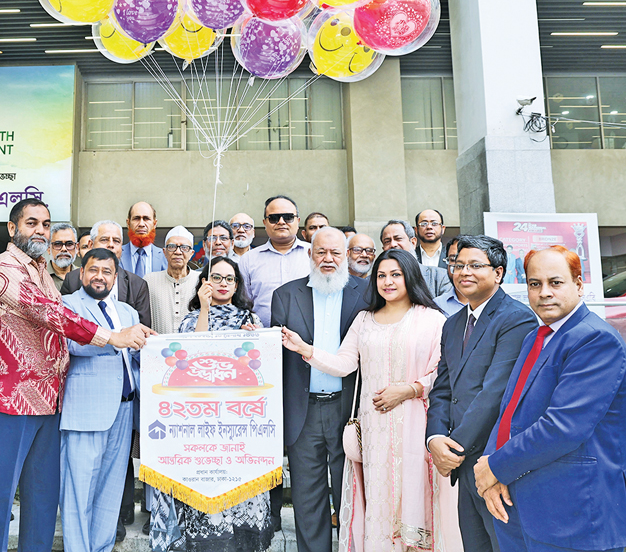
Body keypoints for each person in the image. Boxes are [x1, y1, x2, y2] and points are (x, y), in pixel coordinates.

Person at [0, 199, 150, 552]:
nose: (40, 230)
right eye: (32, 223)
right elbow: (50, 314)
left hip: (49, 400)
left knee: (43, 498)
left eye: (45, 224)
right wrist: (112, 337)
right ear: (12, 227)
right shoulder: (3, 267)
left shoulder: (41, 271)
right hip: (9, 396)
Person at [281, 249, 461, 552]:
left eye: (395, 275)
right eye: (381, 276)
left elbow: (442, 371)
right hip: (374, 428)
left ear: (410, 277)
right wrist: (305, 350)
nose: (387, 282)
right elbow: (345, 363)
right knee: (379, 498)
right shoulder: (364, 320)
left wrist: (410, 389)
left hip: (416, 424)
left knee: (415, 494)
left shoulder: (432, 319)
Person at [474, 246, 626, 552]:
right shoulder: (536, 337)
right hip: (517, 505)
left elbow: (563, 427)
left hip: (572, 514)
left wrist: (495, 466)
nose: (544, 292)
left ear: (579, 284)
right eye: (535, 284)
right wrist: (492, 471)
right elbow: (510, 411)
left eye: (556, 282)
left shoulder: (595, 339)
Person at [150, 256, 274, 552]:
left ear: (237, 285)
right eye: (216, 277)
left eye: (229, 279)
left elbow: (263, 368)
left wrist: (257, 342)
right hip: (201, 425)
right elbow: (192, 358)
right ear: (204, 282)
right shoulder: (191, 319)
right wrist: (204, 308)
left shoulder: (250, 320)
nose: (223, 283)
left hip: (239, 424)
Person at [425, 235, 537, 552]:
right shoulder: (452, 324)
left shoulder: (516, 318)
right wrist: (435, 439)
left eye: (475, 265)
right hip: (463, 464)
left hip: (495, 461)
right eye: (458, 265)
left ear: (498, 273)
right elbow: (442, 388)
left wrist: (454, 448)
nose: (464, 272)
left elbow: (495, 392)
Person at [270, 227, 369, 552]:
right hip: (303, 411)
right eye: (321, 252)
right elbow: (276, 356)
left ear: (346, 256)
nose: (328, 259)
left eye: (335, 253)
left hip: (349, 410)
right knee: (307, 497)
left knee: (352, 493)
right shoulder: (286, 295)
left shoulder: (367, 293)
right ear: (310, 254)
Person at [60, 248, 141, 552]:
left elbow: (134, 358)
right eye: (93, 270)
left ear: (115, 277)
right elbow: (70, 344)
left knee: (110, 492)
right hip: (87, 411)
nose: (99, 277)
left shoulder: (128, 312)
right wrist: (115, 339)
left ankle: (102, 548)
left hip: (124, 409)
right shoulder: (68, 305)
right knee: (79, 493)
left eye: (107, 272)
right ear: (81, 272)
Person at [61, 220, 152, 327]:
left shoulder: (137, 287)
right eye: (104, 240)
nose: (111, 245)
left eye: (116, 241)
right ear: (90, 244)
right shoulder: (71, 283)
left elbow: (142, 331)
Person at [239, 195, 311, 328]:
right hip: (262, 335)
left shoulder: (315, 254)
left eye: (288, 217)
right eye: (274, 218)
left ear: (298, 221)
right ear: (265, 223)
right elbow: (243, 303)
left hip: (308, 337)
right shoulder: (248, 259)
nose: (281, 222)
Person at [143, 226, 199, 335]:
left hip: (192, 345)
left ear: (191, 254)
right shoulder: (149, 280)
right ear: (164, 252)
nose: (178, 252)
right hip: (158, 344)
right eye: (172, 247)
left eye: (184, 247)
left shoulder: (201, 280)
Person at [380, 220, 451, 298]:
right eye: (387, 241)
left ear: (413, 243)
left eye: (398, 239)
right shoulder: (376, 281)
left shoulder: (440, 277)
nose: (393, 244)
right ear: (383, 248)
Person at [120, 201, 167, 277]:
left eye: (146, 219)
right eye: (136, 218)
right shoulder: (116, 254)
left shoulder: (165, 257)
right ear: (128, 223)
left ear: (154, 223)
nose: (141, 224)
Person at [434, 237, 469, 318]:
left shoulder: (492, 304)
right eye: (453, 259)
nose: (463, 270)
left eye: (471, 262)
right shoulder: (437, 305)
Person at [48, 222, 78, 291]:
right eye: (58, 244)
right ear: (49, 248)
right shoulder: (38, 277)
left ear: (77, 248)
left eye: (69, 244)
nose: (64, 249)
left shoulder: (84, 277)